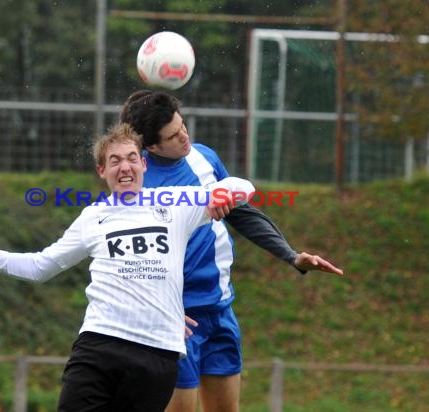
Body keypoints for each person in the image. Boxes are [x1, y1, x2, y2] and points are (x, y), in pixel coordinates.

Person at [0, 123, 256, 412]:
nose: (125, 167)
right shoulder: (93, 217)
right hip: (99, 345)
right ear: (102, 171)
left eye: (131, 158)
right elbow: (41, 265)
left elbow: (243, 188)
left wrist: (224, 195)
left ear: (144, 165)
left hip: (157, 352)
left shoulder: (177, 203)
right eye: (115, 161)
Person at [120, 91, 344, 412]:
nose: (184, 136)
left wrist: (291, 256)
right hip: (174, 321)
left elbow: (243, 212)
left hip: (220, 311)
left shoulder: (204, 158)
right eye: (173, 135)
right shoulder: (139, 186)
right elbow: (128, 259)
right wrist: (156, 309)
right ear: (151, 146)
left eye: (182, 126)